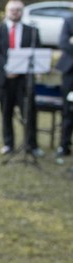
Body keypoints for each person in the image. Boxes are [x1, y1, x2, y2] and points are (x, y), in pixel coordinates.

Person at [0, 0, 41, 157]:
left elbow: (36, 51)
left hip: (25, 80)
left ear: (22, 11)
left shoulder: (32, 31)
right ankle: (8, 144)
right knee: (6, 113)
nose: (15, 12)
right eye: (12, 9)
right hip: (5, 79)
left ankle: (32, 145)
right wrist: (8, 67)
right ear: (6, 11)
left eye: (18, 9)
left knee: (29, 113)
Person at [58, 14, 73, 159]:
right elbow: (63, 43)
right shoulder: (69, 20)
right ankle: (64, 145)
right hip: (70, 72)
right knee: (67, 110)